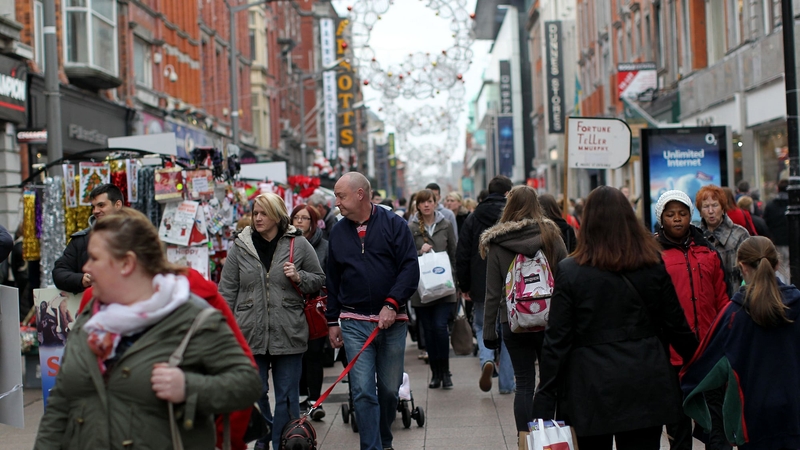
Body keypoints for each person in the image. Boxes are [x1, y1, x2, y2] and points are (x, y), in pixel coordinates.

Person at [34, 210, 261, 450]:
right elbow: (60, 404)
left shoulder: (192, 317)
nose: (86, 266)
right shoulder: (92, 317)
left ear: (127, 263)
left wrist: (189, 387)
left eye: (95, 258)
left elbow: (247, 383)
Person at [532, 186, 698, 450]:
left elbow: (557, 341)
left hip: (590, 386)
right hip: (645, 378)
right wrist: (698, 360)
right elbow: (676, 325)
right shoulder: (652, 264)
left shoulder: (571, 271)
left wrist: (544, 397)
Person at [219, 193, 325, 450]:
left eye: (263, 213)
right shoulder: (241, 246)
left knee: (288, 395)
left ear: (277, 216)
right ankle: (266, 434)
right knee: (255, 391)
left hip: (288, 329)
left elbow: (319, 278)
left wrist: (299, 277)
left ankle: (279, 443)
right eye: (255, 213)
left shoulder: (297, 244)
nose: (257, 218)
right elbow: (226, 290)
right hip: (249, 330)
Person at [326, 172, 419, 450]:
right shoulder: (338, 231)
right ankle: (372, 446)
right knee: (363, 391)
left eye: (341, 196)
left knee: (390, 390)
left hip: (392, 321)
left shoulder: (395, 225)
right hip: (354, 321)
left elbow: (409, 267)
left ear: (360, 194)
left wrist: (392, 303)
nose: (337, 203)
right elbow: (332, 278)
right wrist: (332, 320)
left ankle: (384, 439)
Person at [681, 236, 800, 450]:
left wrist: (703, 418)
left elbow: (703, 370)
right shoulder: (796, 304)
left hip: (753, 420)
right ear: (777, 264)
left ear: (742, 267)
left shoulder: (734, 314)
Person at [480, 185, 568, 433]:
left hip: (513, 321)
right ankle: (548, 436)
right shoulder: (551, 236)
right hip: (550, 320)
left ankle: (525, 440)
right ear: (536, 205)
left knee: (525, 384)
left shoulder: (497, 243)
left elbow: (493, 293)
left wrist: (489, 330)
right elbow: (566, 277)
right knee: (549, 382)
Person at [654, 190, 730, 450]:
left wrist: (723, 339)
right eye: (671, 214)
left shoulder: (707, 253)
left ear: (690, 216)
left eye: (683, 214)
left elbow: (722, 300)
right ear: (661, 218)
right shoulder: (654, 256)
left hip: (708, 351)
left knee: (715, 422)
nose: (677, 219)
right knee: (677, 425)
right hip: (671, 356)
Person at [456, 175, 515, 394]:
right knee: (509, 331)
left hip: (481, 282)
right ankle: (507, 383)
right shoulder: (512, 216)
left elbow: (462, 252)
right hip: (509, 282)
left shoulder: (473, 217)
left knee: (482, 325)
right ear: (508, 193)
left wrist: (464, 284)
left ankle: (487, 360)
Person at [408, 189, 457, 389]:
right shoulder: (411, 227)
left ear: (435, 203)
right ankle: (435, 373)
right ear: (418, 205)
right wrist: (421, 251)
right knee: (428, 331)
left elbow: (454, 252)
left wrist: (456, 280)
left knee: (440, 328)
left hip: (444, 287)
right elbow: (407, 255)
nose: (427, 205)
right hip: (422, 289)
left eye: (430, 201)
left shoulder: (445, 224)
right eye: (423, 202)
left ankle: (446, 373)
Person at [290, 203, 329, 421]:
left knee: (314, 354)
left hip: (316, 307)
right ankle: (300, 396)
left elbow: (328, 275)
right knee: (297, 354)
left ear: (313, 222)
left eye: (304, 218)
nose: (299, 222)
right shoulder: (287, 244)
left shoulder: (324, 246)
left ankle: (315, 399)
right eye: (296, 218)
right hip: (292, 307)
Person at [53, 184, 124, 293]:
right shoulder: (81, 240)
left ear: (118, 205)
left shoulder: (137, 236)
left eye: (101, 205)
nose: (95, 211)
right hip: (94, 306)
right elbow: (59, 272)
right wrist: (80, 279)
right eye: (93, 207)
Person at [696, 185, 750, 297]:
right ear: (700, 211)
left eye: (715, 205)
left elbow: (749, 274)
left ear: (723, 208)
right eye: (706, 206)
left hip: (735, 302)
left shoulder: (740, 234)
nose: (711, 211)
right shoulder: (695, 236)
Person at [763, 179, 790, 283]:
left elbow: (766, 222)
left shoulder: (771, 206)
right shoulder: (793, 204)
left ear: (777, 189)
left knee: (780, 265)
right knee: (789, 265)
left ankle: (782, 285)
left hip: (776, 240)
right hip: (791, 240)